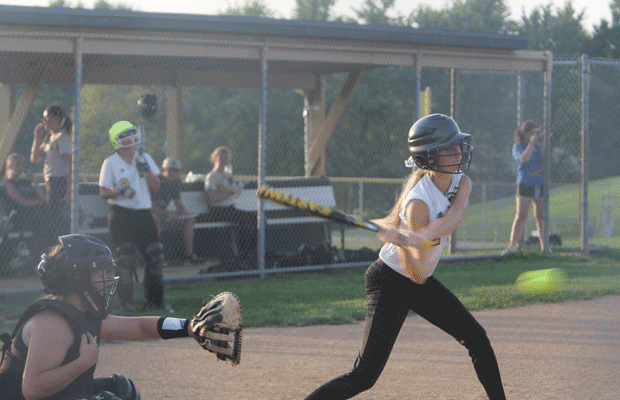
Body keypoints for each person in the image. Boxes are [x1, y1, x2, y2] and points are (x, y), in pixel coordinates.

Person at [304, 114, 506, 400]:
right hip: (390, 281)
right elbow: (418, 275)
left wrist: (424, 234)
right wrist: (402, 241)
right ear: (431, 157)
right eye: (449, 148)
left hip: (415, 276)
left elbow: (455, 217)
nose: (457, 152)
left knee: (476, 338)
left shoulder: (461, 181)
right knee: (364, 377)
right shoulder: (418, 204)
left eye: (457, 146)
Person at [0, 234, 238, 400]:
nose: (108, 278)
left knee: (123, 392)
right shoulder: (53, 324)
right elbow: (31, 389)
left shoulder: (82, 313)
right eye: (100, 271)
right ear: (78, 278)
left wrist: (190, 327)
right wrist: (82, 363)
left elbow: (140, 327)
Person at [99, 121, 172, 314]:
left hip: (143, 214)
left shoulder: (144, 157)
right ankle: (127, 304)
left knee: (155, 256)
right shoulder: (110, 162)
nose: (129, 139)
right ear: (117, 141)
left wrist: (145, 168)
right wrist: (118, 191)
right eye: (124, 136)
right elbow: (103, 192)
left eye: (131, 134)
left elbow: (156, 187)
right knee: (125, 259)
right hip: (121, 214)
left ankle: (156, 302)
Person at [204, 147, 253, 268]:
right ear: (215, 159)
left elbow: (235, 192)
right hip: (218, 210)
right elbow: (212, 198)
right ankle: (244, 254)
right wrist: (229, 193)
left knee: (254, 218)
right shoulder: (212, 176)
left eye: (226, 158)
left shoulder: (228, 175)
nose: (224, 160)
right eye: (221, 157)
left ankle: (251, 253)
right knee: (245, 220)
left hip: (230, 207)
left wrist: (240, 186)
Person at [30, 105, 73, 240]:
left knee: (54, 217)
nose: (44, 121)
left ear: (56, 119)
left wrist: (69, 189)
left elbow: (70, 163)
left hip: (58, 182)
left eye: (47, 118)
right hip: (50, 182)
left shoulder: (62, 137)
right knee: (50, 215)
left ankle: (59, 243)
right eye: (44, 119)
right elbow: (35, 158)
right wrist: (37, 138)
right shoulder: (49, 138)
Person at [151, 157, 201, 264]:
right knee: (155, 219)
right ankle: (156, 256)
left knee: (188, 221)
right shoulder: (155, 182)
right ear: (162, 170)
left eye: (176, 170)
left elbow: (178, 204)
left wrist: (185, 213)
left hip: (163, 215)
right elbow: (150, 207)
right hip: (147, 216)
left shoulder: (175, 183)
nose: (172, 173)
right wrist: (168, 213)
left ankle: (189, 255)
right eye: (170, 169)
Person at [505, 119, 544, 253]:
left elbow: (545, 160)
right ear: (526, 133)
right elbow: (524, 159)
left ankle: (545, 247)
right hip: (525, 181)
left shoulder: (538, 146)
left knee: (540, 216)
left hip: (538, 181)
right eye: (533, 133)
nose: (535, 135)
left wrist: (545, 143)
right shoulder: (518, 146)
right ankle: (511, 246)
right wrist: (531, 143)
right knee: (521, 215)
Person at [1, 153, 50, 260]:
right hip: (18, 217)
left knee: (48, 215)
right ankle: (40, 254)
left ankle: (44, 252)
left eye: (22, 165)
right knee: (44, 218)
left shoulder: (26, 181)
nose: (20, 168)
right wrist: (37, 202)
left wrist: (33, 179)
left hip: (34, 214)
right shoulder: (8, 184)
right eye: (17, 165)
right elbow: (22, 201)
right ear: (9, 167)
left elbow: (44, 199)